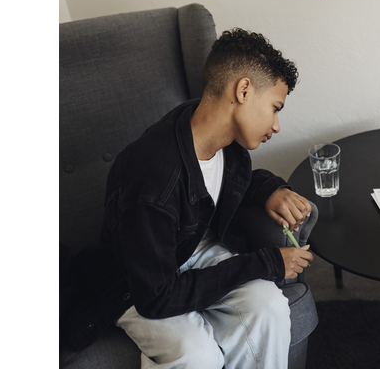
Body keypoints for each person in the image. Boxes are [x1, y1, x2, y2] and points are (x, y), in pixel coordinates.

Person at [101, 28, 314, 368]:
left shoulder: (217, 133)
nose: (276, 126)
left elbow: (221, 185)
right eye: (275, 108)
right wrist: (267, 262)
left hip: (194, 248)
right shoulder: (153, 180)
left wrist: (269, 190)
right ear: (243, 90)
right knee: (197, 353)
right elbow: (157, 297)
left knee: (269, 305)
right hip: (139, 282)